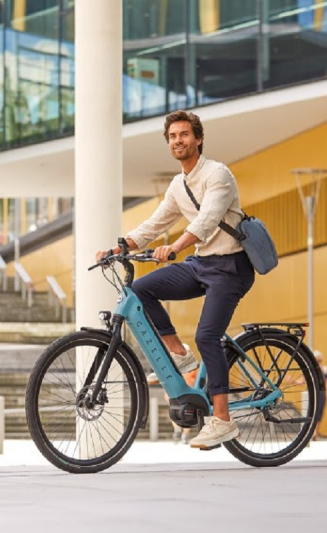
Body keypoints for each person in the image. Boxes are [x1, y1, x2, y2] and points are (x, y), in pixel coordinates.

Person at [95, 110, 254, 450]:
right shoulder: (178, 185)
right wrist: (119, 246)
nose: (178, 141)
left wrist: (176, 246)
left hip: (230, 267)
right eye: (172, 137)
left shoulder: (218, 174)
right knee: (141, 289)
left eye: (184, 134)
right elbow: (154, 224)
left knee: (208, 336)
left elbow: (208, 220)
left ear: (198, 139)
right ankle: (178, 353)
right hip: (202, 264)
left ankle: (223, 420)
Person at [313, 350, 327, 440]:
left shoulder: (324, 369)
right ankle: (314, 432)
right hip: (313, 393)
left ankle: (315, 432)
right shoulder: (311, 370)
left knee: (320, 412)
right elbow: (301, 381)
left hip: (321, 393)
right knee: (314, 412)